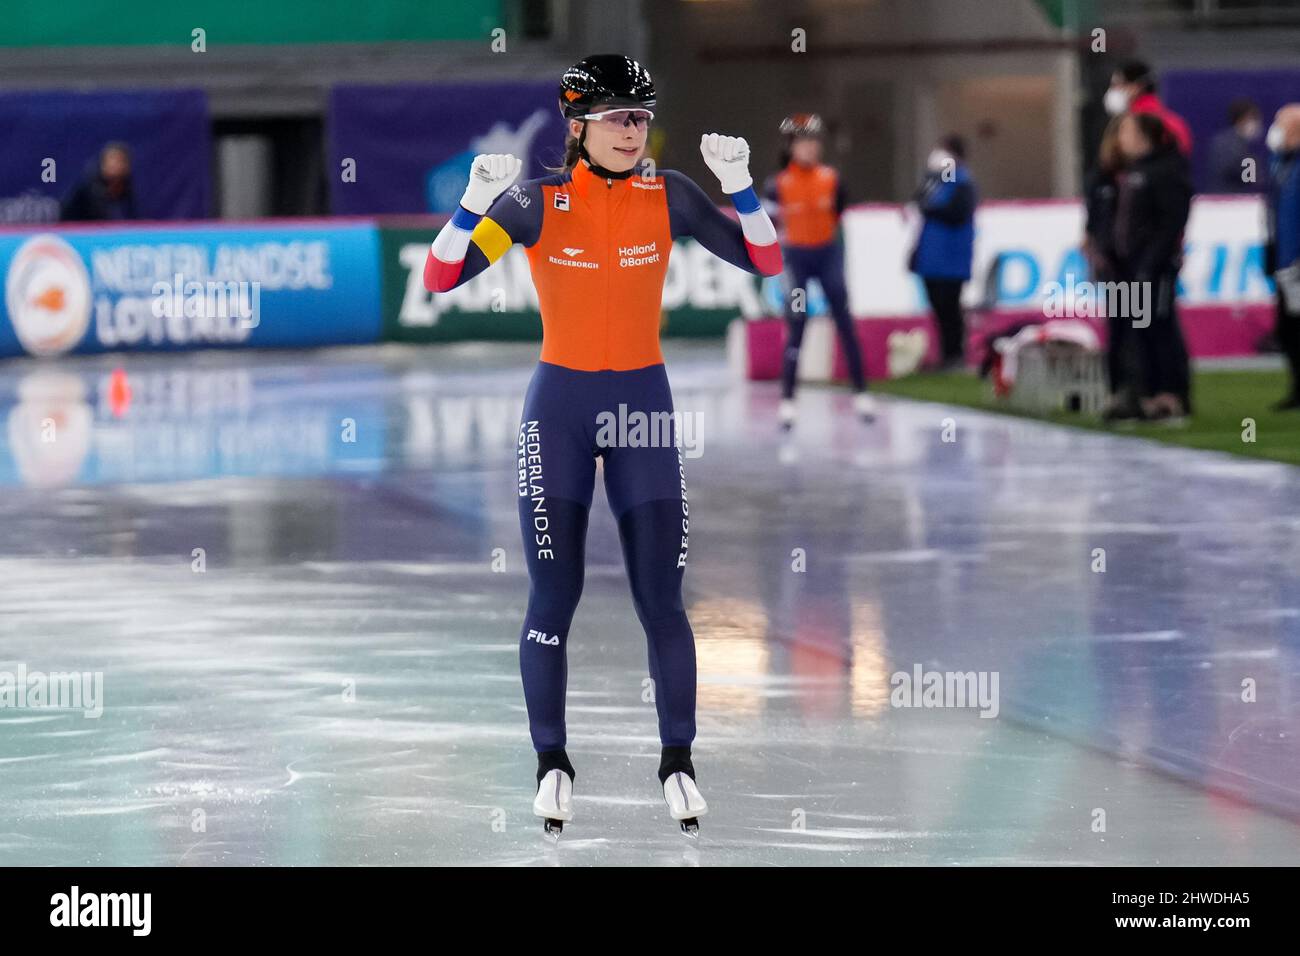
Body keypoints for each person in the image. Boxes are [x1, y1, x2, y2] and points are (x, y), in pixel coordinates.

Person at [422, 54, 782, 837]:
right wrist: (471, 205)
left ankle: (679, 762)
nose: (632, 131)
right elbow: (440, 278)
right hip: (559, 410)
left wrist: (745, 189)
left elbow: (767, 261)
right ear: (578, 126)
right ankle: (552, 763)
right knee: (555, 597)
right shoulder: (537, 201)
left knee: (663, 601)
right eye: (618, 117)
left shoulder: (671, 195)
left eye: (642, 118)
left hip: (643, 411)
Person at [763, 113, 873, 428]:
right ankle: (788, 401)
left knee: (844, 321)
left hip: (827, 254)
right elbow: (767, 227)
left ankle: (862, 393)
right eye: (803, 143)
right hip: (796, 258)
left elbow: (839, 215)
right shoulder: (777, 184)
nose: (810, 149)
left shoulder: (832, 179)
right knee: (797, 324)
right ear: (791, 147)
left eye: (814, 143)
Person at [1112, 111, 1193, 422]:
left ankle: (1170, 395)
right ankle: (1149, 393)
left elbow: (1172, 222)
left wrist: (1153, 261)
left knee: (1160, 328)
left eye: (1127, 132)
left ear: (1143, 135)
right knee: (1142, 330)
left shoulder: (1166, 170)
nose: (1121, 139)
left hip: (1154, 266)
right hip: (1135, 265)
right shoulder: (1138, 169)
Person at [1084, 117, 1141, 419]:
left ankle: (1139, 391)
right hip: (1114, 264)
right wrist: (1095, 248)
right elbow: (1093, 218)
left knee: (1140, 328)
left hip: (1139, 261)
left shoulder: (1141, 173)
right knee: (1118, 328)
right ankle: (1118, 390)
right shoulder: (1102, 177)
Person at [909, 134, 977, 371]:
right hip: (931, 259)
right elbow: (919, 199)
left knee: (950, 308)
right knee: (938, 308)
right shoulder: (936, 182)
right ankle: (947, 355)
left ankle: (955, 355)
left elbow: (956, 212)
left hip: (952, 259)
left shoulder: (963, 183)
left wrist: (931, 208)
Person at [1265, 104, 1300, 410]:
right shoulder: (1280, 163)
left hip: (1296, 260)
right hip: (1283, 259)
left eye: (1281, 123)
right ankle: (1296, 387)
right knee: (1288, 327)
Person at [1103, 59, 1192, 156]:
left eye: (1117, 84)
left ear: (1137, 87)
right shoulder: (1172, 120)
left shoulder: (1143, 122)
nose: (1113, 90)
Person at [60, 142, 137, 222]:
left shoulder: (128, 189)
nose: (114, 165)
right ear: (103, 164)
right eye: (111, 160)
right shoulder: (87, 189)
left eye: (119, 160)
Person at [1207, 98, 1266, 194]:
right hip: (1231, 200)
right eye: (1253, 118)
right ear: (1242, 119)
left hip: (1223, 197)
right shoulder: (1231, 145)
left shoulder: (1223, 141)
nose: (1257, 123)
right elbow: (1250, 177)